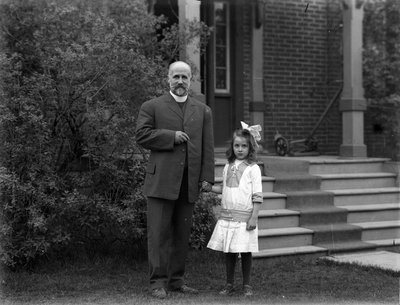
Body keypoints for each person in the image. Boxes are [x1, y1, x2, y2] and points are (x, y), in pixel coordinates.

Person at [135, 61, 214, 299]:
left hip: (188, 182)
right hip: (161, 182)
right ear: (168, 78)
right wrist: (171, 136)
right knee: (158, 234)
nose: (180, 81)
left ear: (191, 81)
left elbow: (207, 147)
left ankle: (177, 280)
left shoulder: (203, 110)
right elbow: (141, 135)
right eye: (176, 76)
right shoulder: (153, 106)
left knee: (181, 234)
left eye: (185, 77)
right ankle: (157, 283)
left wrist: (206, 177)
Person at [207, 121, 263, 297]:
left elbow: (257, 196)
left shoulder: (253, 169)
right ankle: (229, 283)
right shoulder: (227, 166)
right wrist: (208, 188)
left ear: (250, 147)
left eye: (244, 146)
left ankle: (246, 285)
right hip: (228, 218)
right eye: (237, 145)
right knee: (229, 252)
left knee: (245, 251)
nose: (240, 149)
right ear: (232, 147)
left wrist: (253, 217)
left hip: (245, 218)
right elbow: (224, 189)